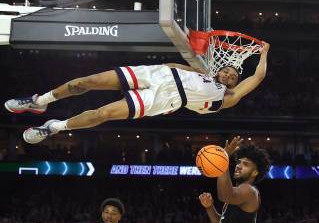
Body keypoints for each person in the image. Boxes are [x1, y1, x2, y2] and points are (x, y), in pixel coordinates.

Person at [6, 43, 270, 144]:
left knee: (104, 113)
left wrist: (264, 52)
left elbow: (257, 76)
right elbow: (172, 66)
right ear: (219, 70)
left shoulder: (226, 98)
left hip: (165, 98)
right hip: (158, 74)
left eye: (233, 78)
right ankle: (39, 102)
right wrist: (171, 66)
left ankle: (54, 127)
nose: (228, 76)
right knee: (89, 80)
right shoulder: (199, 72)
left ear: (234, 85)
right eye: (226, 72)